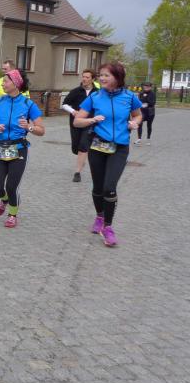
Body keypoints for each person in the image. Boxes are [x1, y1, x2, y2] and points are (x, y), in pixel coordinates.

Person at [73, 62, 142, 247]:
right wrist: (92, 120)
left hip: (119, 148)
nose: (102, 78)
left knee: (109, 187)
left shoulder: (129, 97)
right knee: (98, 187)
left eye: (106, 75)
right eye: (101, 75)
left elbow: (138, 115)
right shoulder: (94, 97)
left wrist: (134, 123)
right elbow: (77, 121)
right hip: (98, 147)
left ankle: (108, 227)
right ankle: (99, 216)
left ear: (117, 77)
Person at [0, 69, 45, 228]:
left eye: (6, 81)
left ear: (16, 83)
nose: (2, 84)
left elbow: (41, 130)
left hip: (19, 149)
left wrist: (29, 127)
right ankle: (4, 199)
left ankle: (12, 214)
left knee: (11, 186)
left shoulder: (28, 104)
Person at [61, 69, 98, 182]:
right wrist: (73, 111)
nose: (84, 79)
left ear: (93, 79)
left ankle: (77, 172)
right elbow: (64, 104)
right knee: (76, 148)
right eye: (83, 77)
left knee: (83, 145)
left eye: (87, 77)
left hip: (90, 123)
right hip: (76, 123)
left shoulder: (98, 93)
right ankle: (82, 159)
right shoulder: (76, 91)